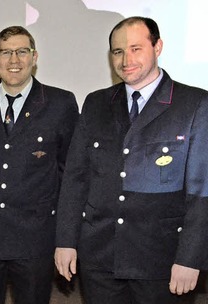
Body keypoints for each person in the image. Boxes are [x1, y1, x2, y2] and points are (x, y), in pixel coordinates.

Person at [54, 16, 208, 303]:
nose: (126, 59)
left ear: (158, 47)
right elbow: (76, 177)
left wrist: (190, 257)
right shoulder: (96, 103)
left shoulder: (195, 104)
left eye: (136, 48)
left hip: (161, 260)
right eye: (118, 51)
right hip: (100, 258)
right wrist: (65, 240)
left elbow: (202, 192)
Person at [0, 26, 79, 304]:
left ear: (34, 57)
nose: (14, 60)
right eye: (6, 52)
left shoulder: (61, 103)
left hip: (35, 237)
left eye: (22, 51)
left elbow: (69, 172)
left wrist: (65, 234)